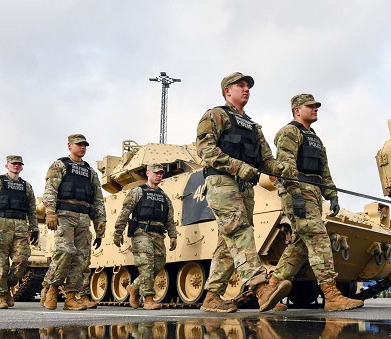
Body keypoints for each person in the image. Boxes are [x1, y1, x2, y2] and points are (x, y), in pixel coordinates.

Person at [195, 72, 294, 313]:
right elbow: (205, 150)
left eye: (248, 86)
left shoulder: (253, 126)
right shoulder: (215, 115)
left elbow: (266, 159)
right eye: (240, 86)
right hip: (222, 181)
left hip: (245, 186)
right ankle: (261, 288)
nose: (246, 89)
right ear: (227, 91)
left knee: (229, 242)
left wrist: (280, 169)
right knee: (240, 231)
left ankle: (211, 297)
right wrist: (240, 167)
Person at [272, 94, 363, 312]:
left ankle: (271, 289)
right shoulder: (289, 132)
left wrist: (332, 194)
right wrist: (294, 194)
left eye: (316, 106)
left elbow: (324, 171)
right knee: (318, 237)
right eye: (310, 106)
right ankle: (331, 296)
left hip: (312, 192)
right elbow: (285, 166)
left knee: (301, 246)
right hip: (299, 192)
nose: (315, 109)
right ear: (296, 110)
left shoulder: (314, 138)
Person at [41, 134, 107, 311]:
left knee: (81, 258)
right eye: (79, 145)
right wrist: (50, 213)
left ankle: (71, 297)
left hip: (84, 217)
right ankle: (52, 289)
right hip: (65, 215)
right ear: (69, 146)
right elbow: (50, 190)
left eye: (85, 145)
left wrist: (100, 221)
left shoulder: (90, 171)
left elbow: (98, 199)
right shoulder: (60, 165)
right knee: (64, 253)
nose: (82, 147)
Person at [0, 155, 39, 309]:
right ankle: (2, 296)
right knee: (1, 262)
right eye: (13, 164)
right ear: (7, 165)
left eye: (19, 164)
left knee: (22, 259)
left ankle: (9, 284)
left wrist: (35, 227)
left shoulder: (26, 186)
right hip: (1, 224)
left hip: (21, 224)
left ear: (22, 167)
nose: (16, 166)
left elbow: (32, 209)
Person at [113, 163, 178, 310]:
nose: (159, 175)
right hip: (141, 232)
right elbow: (125, 212)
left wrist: (173, 235)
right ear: (148, 174)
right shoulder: (137, 192)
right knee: (146, 265)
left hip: (158, 234)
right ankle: (148, 299)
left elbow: (169, 218)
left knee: (159, 264)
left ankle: (134, 288)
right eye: (156, 173)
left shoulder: (164, 197)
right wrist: (118, 231)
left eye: (161, 173)